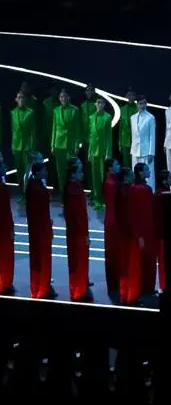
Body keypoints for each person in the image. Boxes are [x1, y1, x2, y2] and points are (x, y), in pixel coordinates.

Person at [122, 162, 157, 304]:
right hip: (146, 229)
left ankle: (141, 288)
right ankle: (145, 288)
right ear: (140, 173)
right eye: (147, 170)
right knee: (147, 260)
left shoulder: (132, 189)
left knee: (140, 260)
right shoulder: (145, 190)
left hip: (140, 229)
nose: (149, 172)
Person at [63, 158, 91, 302]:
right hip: (78, 232)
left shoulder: (71, 187)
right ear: (73, 174)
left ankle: (77, 289)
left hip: (74, 231)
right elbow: (78, 214)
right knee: (79, 262)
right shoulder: (75, 189)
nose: (82, 174)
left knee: (76, 262)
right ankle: (79, 292)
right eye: (79, 172)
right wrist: (84, 234)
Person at [26, 161, 55, 298]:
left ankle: (37, 287)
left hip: (37, 228)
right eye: (44, 170)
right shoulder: (38, 189)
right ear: (37, 172)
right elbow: (41, 211)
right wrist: (48, 226)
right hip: (41, 229)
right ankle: (42, 289)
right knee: (43, 259)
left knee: (37, 259)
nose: (46, 172)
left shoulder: (33, 186)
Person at [51, 89, 80, 199]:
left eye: (65, 96)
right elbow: (54, 128)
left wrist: (77, 145)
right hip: (58, 144)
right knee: (60, 172)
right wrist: (52, 145)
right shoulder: (56, 110)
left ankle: (72, 195)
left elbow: (77, 129)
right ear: (59, 98)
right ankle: (63, 196)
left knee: (71, 171)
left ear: (68, 97)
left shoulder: (74, 110)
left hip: (70, 144)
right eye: (61, 97)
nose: (63, 98)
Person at [87, 96, 114, 209]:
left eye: (102, 103)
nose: (100, 104)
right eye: (98, 102)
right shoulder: (91, 117)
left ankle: (104, 200)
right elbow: (91, 136)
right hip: (94, 151)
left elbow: (109, 136)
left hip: (103, 151)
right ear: (95, 104)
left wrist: (108, 152)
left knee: (104, 177)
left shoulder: (107, 117)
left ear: (104, 105)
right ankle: (97, 200)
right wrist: (89, 151)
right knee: (95, 177)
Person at [10, 91, 37, 197]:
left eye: (22, 97)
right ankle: (22, 194)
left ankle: (27, 194)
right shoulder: (13, 113)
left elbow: (32, 132)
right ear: (16, 100)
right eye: (19, 97)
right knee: (19, 171)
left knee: (27, 171)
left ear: (25, 100)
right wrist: (13, 145)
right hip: (16, 146)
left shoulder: (30, 112)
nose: (21, 99)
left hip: (27, 147)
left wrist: (32, 147)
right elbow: (13, 130)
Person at [103, 159, 124, 296]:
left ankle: (115, 282)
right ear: (110, 168)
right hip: (114, 220)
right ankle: (114, 283)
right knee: (114, 253)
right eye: (116, 164)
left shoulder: (112, 181)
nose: (119, 166)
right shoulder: (112, 183)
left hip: (111, 219)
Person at [130, 96, 156, 190]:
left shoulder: (150, 118)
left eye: (144, 103)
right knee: (136, 173)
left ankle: (150, 193)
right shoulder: (132, 117)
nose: (142, 105)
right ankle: (136, 193)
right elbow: (133, 135)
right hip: (135, 150)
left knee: (148, 175)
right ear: (137, 105)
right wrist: (132, 149)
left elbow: (152, 136)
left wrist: (151, 152)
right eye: (140, 103)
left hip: (146, 150)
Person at [0, 154, 14, 294]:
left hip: (5, 226)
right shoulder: (2, 188)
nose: (5, 167)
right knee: (4, 257)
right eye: (2, 165)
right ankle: (4, 284)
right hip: (3, 228)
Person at [119, 88, 137, 170]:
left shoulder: (138, 108)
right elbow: (121, 127)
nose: (131, 97)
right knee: (126, 163)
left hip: (136, 140)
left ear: (135, 97)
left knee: (135, 163)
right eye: (129, 95)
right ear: (126, 96)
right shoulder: (122, 109)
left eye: (133, 95)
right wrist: (120, 143)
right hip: (125, 140)